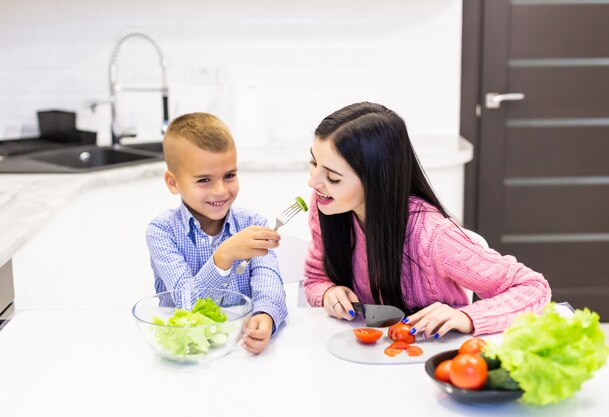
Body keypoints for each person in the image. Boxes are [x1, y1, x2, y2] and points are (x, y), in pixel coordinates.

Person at [304, 102, 551, 338]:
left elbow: (533, 287)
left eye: (333, 178)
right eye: (313, 163)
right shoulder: (326, 207)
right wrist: (328, 292)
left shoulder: (433, 236)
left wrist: (467, 317)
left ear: (377, 181)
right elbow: (315, 277)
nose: (313, 182)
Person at [146, 112, 287, 354]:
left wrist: (266, 316)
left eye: (229, 175)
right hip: (186, 350)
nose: (221, 190)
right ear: (173, 183)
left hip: (240, 348)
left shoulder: (252, 222)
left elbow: (269, 282)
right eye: (204, 180)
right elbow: (188, 303)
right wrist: (225, 254)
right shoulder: (162, 231)